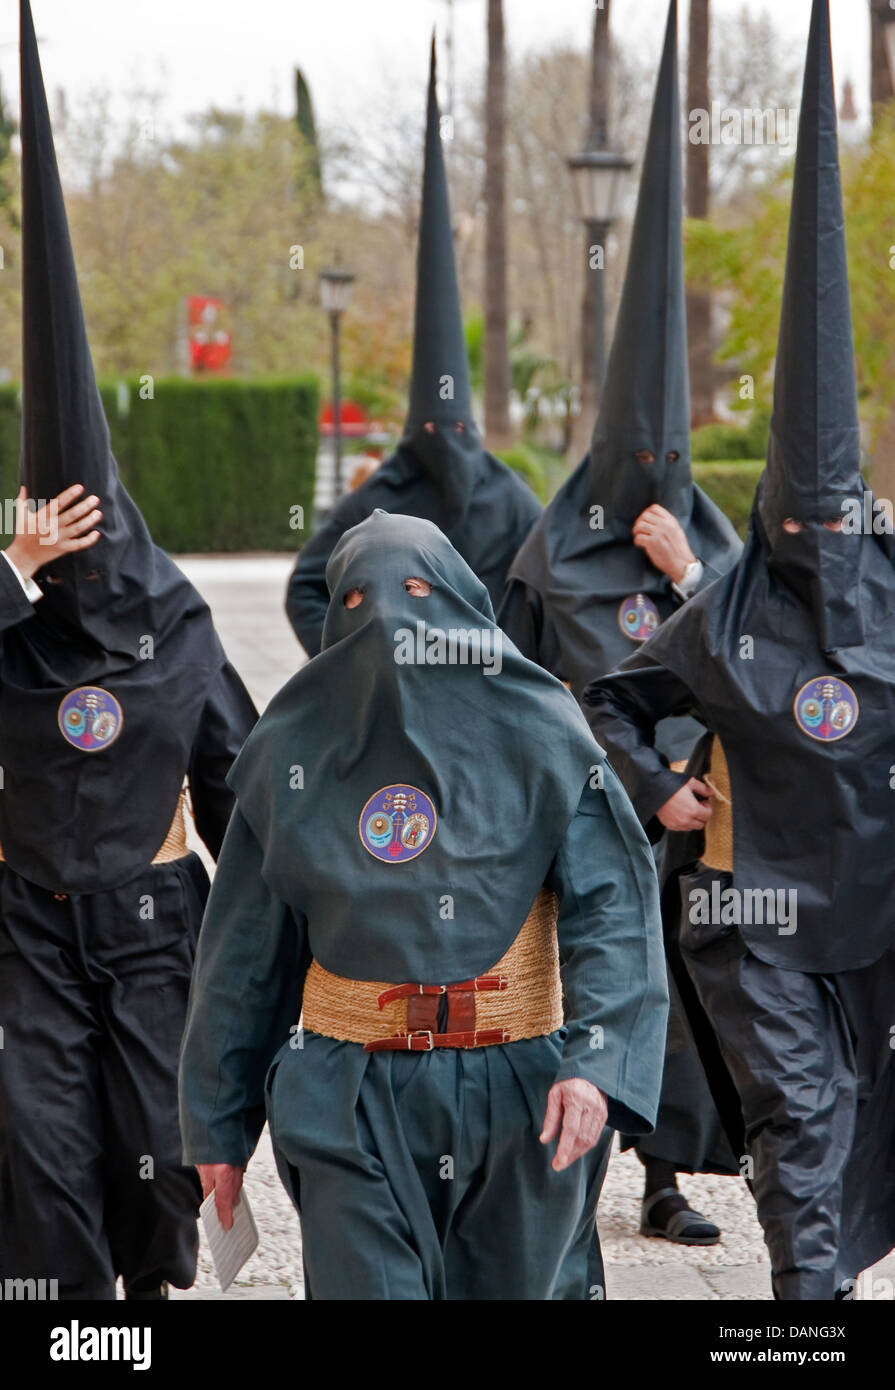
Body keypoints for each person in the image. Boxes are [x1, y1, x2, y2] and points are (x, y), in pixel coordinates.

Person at [584, 0, 895, 1301]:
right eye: (796, 520)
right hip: (747, 902)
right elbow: (602, 695)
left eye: (836, 518)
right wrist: (660, 785)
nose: (816, 538)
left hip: (869, 906)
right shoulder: (716, 611)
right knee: (797, 1124)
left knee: (855, 1119)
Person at [180, 509, 669, 1300]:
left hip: (521, 1094)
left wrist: (595, 1064)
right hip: (347, 1093)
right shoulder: (288, 750)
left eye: (415, 591)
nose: (393, 623)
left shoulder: (545, 731)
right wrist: (218, 1125)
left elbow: (612, 908)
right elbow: (241, 956)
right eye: (360, 602)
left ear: (458, 602)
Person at [0, 1, 257, 1302]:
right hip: (24, 917)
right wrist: (12, 575)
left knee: (157, 1148)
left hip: (154, 917)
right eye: (62, 549)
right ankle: (72, 1328)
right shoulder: (10, 616)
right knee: (40, 1153)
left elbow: (249, 787)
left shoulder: (181, 630)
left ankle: (143, 1304)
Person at [499, 0, 741, 1245]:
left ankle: (667, 1175)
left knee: (689, 999)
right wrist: (621, 784)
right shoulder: (547, 554)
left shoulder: (713, 542)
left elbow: (751, 658)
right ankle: (567, 1181)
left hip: (693, 826)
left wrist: (690, 561)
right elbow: (519, 687)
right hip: (582, 818)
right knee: (586, 984)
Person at [285, 40, 540, 659]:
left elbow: (546, 593)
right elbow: (306, 589)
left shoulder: (511, 501)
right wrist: (355, 656)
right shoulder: (374, 504)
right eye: (432, 427)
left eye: (455, 426)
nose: (444, 440)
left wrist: (512, 665)